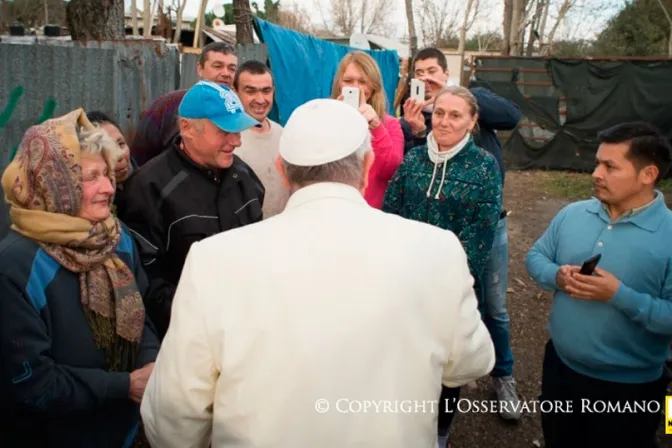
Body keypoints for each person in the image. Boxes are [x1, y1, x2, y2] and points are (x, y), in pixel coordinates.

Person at [139, 99, 495, 448]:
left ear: (281, 169)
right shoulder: (437, 250)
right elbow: (471, 361)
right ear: (368, 165)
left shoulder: (213, 261)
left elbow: (174, 414)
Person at [0, 109, 160, 447]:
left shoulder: (117, 239)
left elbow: (141, 314)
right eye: (89, 177)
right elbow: (30, 383)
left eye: (107, 173)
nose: (108, 188)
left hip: (123, 431)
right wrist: (125, 386)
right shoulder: (18, 266)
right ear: (51, 183)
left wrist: (152, 363)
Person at [526, 122, 672, 448]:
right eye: (597, 162)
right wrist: (557, 277)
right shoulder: (573, 214)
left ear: (648, 175)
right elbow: (536, 257)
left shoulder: (669, 235)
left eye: (610, 166)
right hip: (559, 370)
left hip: (630, 389)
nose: (596, 173)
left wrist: (619, 296)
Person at [401, 47, 523, 420]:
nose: (426, 78)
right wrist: (417, 132)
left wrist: (453, 91)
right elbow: (415, 172)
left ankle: (503, 374)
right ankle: (450, 365)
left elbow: (512, 115)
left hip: (488, 223)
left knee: (493, 305)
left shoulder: (472, 103)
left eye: (433, 71)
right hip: (440, 227)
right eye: (419, 73)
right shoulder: (419, 115)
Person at [383, 85, 502, 446]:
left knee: (448, 368)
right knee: (407, 360)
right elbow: (391, 213)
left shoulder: (484, 167)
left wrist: (442, 283)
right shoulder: (414, 159)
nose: (445, 121)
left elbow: (479, 237)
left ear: (472, 121)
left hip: (451, 289)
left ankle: (439, 433)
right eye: (440, 113)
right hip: (404, 284)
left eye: (455, 115)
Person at [118, 81, 265, 340]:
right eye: (224, 130)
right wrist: (203, 319)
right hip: (185, 337)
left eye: (239, 130)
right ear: (187, 127)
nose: (237, 141)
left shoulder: (245, 179)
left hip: (247, 329)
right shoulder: (148, 188)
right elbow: (144, 281)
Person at [130, 42, 238, 166]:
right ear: (200, 69)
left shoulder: (237, 111)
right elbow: (139, 157)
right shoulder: (168, 105)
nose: (226, 73)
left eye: (232, 68)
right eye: (218, 66)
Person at [331, 51, 404, 209]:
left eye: (363, 82)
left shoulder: (389, 124)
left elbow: (392, 171)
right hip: (333, 209)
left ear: (373, 86)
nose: (356, 88)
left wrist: (376, 128)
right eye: (348, 81)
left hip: (371, 213)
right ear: (339, 84)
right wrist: (333, 121)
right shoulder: (326, 117)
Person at [233, 60, 290, 218]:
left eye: (266, 91)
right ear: (235, 92)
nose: (260, 99)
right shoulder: (228, 139)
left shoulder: (284, 135)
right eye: (251, 91)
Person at [86, 110, 137, 214]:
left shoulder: (148, 184)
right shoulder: (93, 202)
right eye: (108, 149)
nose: (120, 155)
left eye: (121, 144)